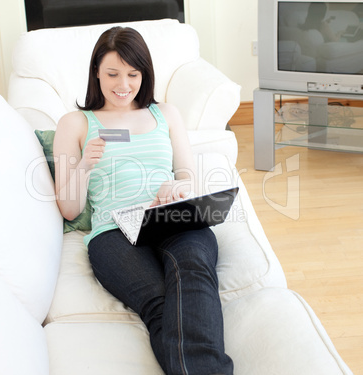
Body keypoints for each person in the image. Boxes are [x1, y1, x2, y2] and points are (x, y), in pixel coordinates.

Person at [53, 26, 234, 375]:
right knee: (160, 303)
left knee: (193, 272)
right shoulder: (75, 123)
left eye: (133, 74)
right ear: (96, 73)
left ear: (145, 75)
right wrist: (85, 166)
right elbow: (70, 209)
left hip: (171, 215)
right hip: (113, 231)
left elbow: (187, 174)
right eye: (112, 74)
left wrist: (179, 189)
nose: (123, 85)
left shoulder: (165, 113)